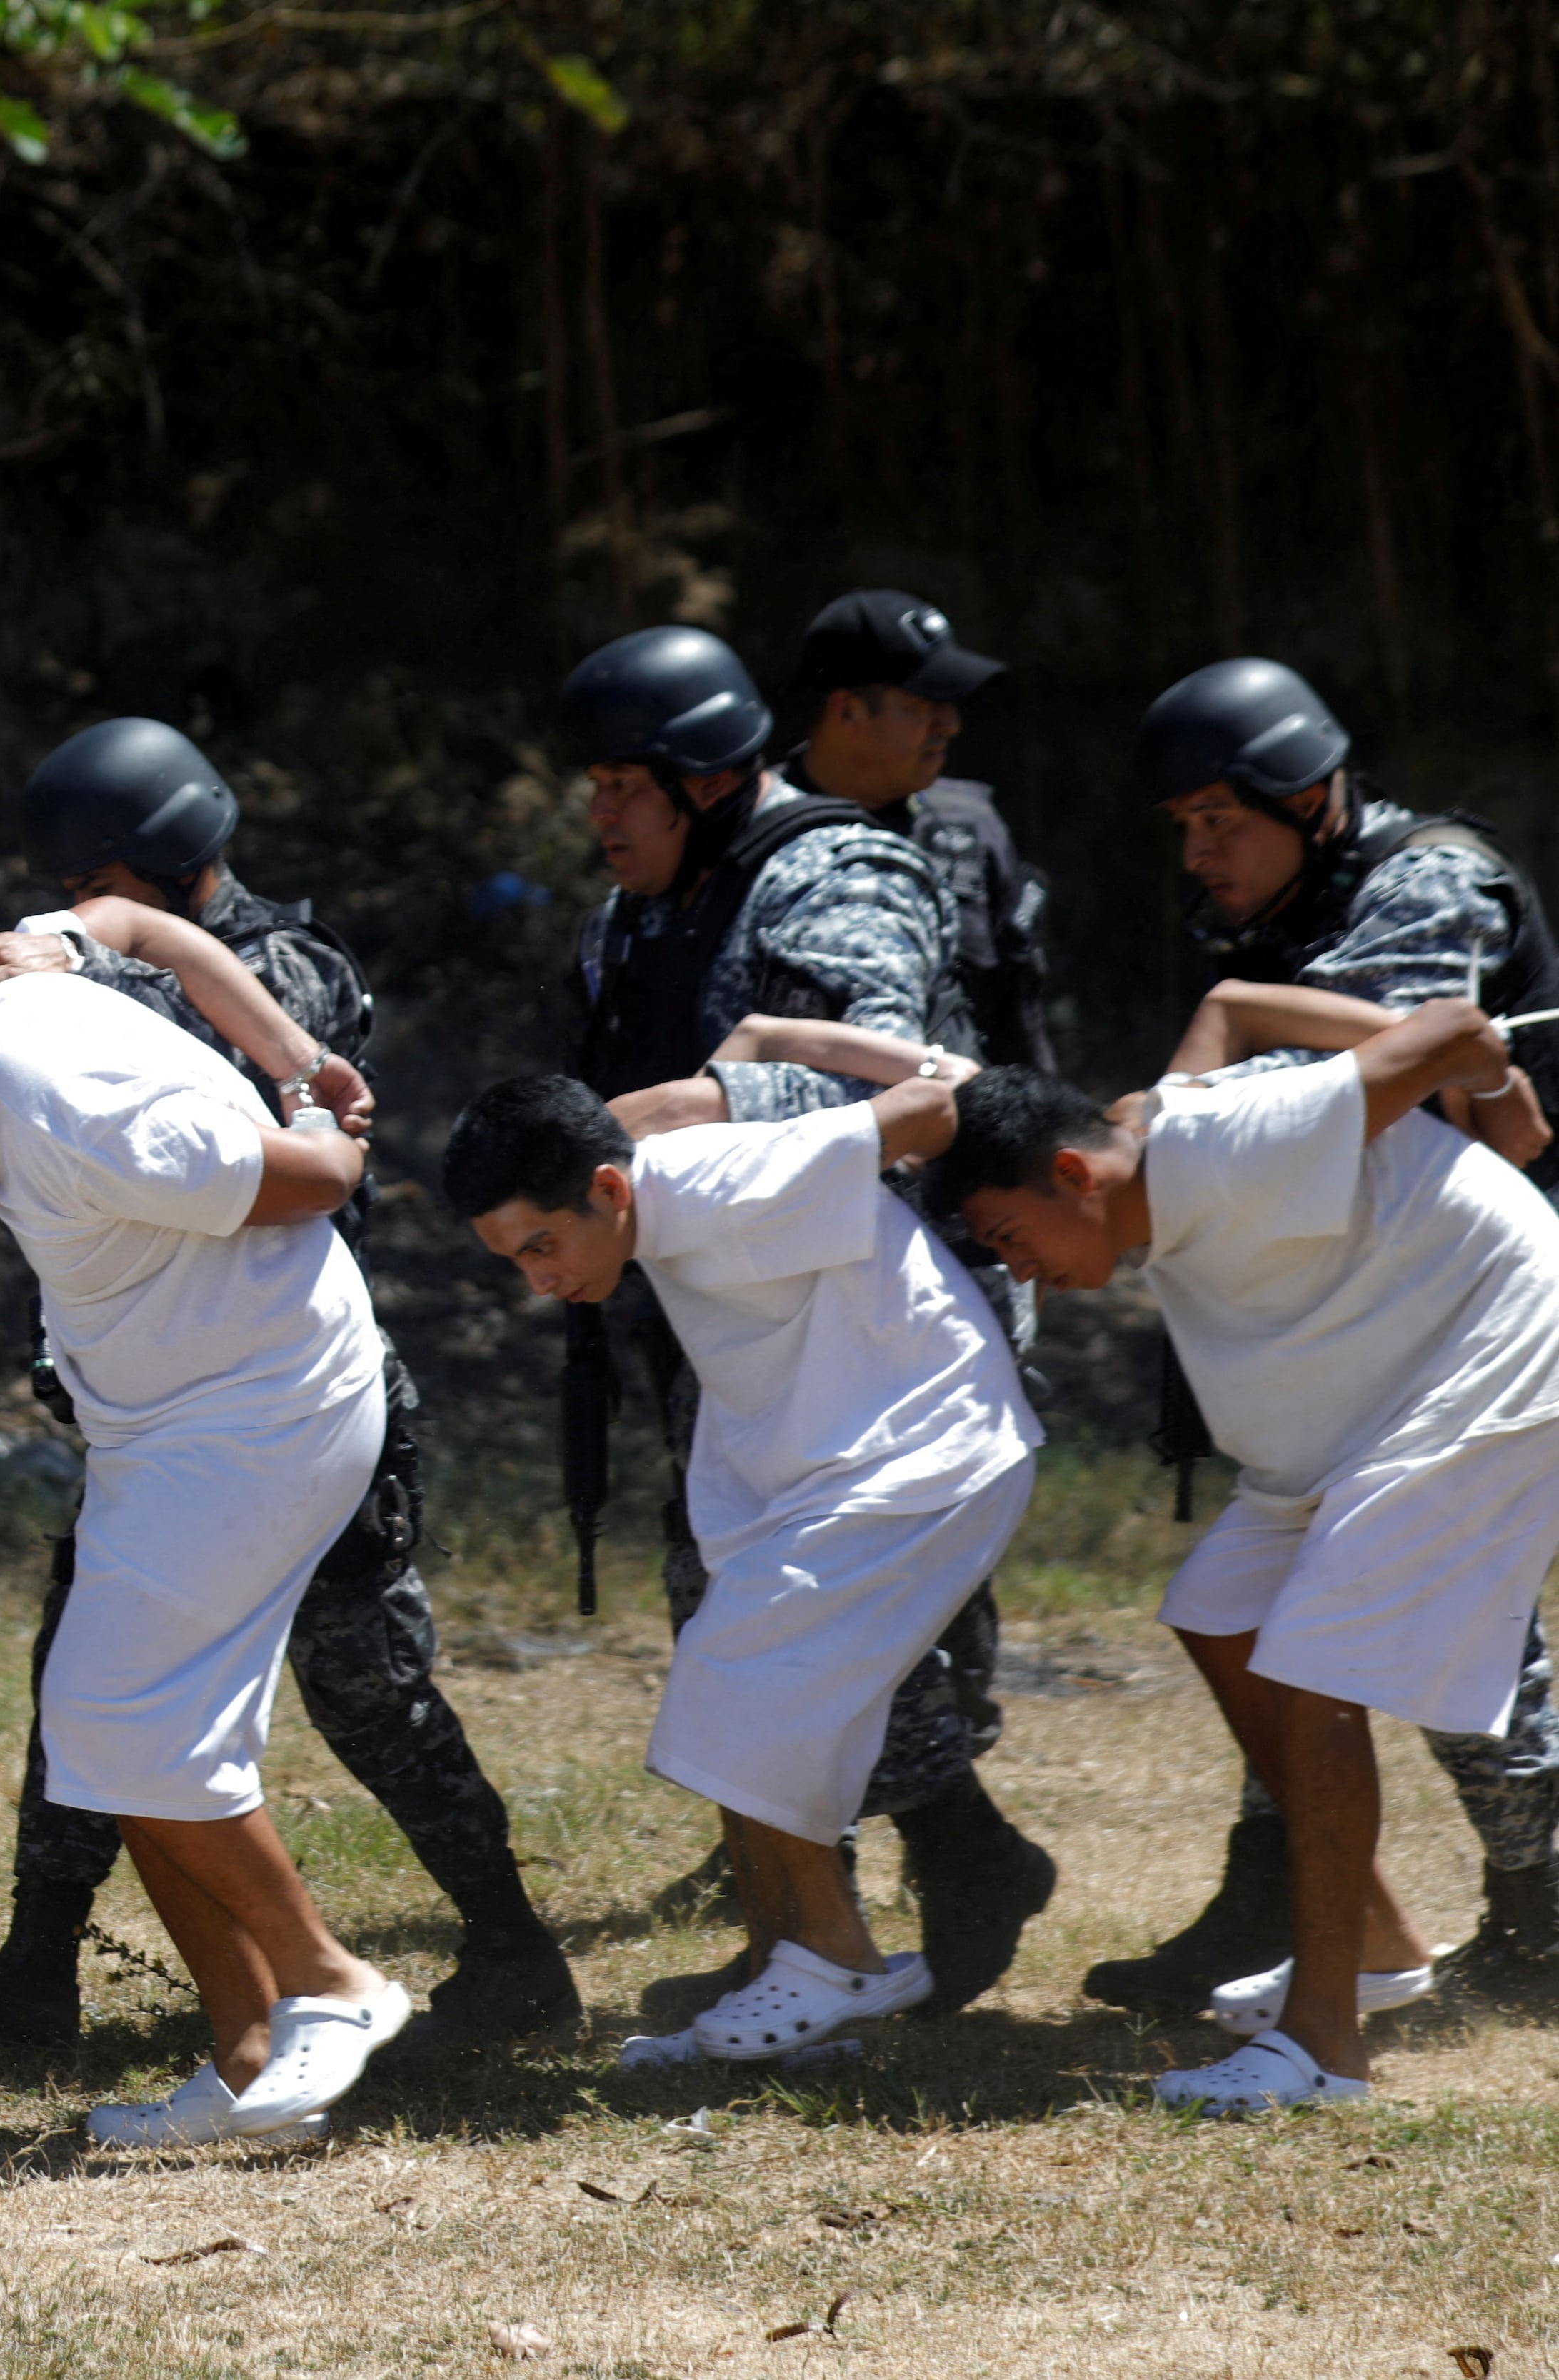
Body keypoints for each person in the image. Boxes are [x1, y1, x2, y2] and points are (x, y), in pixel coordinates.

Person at [0, 717, 574, 2061]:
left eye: (85, 887)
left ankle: (510, 1941)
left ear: (134, 866)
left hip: (287, 1388)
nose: (68, 909)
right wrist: (67, 951)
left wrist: (67, 958)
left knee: (369, 1680)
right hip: (165, 1398)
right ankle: (40, 1961)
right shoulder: (102, 949)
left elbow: (221, 1105)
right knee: (95, 1678)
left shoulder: (284, 965)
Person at [0, 978, 413, 2146]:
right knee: (109, 1736)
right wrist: (63, 939)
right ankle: (251, 2061)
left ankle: (332, 1983)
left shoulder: (70, 1114)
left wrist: (318, 1096)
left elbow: (319, 1182)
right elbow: (128, 923)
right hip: (169, 1428)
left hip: (264, 1414)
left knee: (127, 1718)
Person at [553, 627, 1053, 2017]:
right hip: (729, 1313)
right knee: (726, 1606)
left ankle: (953, 1864)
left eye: (621, 785)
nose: (597, 813)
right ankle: (801, 1928)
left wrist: (664, 1119)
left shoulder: (836, 874)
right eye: (589, 785)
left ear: (705, 781)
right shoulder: (639, 906)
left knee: (836, 1630)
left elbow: (883, 1098)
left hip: (872, 1331)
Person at [935, 998, 1559, 2108]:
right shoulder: (1148, 1149)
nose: (1020, 1273)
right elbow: (1222, 1008)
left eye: (1009, 1239)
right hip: (1362, 1402)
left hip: (1492, 1362)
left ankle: (1324, 2050)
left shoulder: (1243, 1135)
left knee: (1312, 1674)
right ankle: (1371, 1943)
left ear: (1074, 1174)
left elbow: (1461, 1026)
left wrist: (1505, 1098)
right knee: (1220, 1610)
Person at [1084, 657, 1559, 2013]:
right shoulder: (1294, 902)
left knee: (1470, 1642)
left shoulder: (1423, 883)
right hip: (1363, 1316)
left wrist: (1181, 1098)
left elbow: (1332, 1092)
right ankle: (1285, 1891)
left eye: (1220, 822)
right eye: (1181, 826)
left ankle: (1540, 1904)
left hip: (1469, 1318)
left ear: (1310, 795)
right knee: (1280, 1616)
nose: (1200, 851)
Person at [445, 1046, 1038, 2069]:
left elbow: (937, 1100)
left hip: (926, 1452)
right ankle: (791, 1974)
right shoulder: (643, 1192)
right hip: (834, 1463)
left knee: (744, 1689)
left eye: (543, 1244)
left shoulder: (730, 1175)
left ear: (607, 1190)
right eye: (514, 1260)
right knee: (734, 1697)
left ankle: (840, 1966)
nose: (540, 1279)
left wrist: (786, 1045)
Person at [783, 592, 1053, 1071]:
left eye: (949, 703)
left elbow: (1019, 1020)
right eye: (921, 704)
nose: (949, 724)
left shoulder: (969, 827)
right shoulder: (759, 836)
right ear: (847, 712)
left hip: (965, 1124)